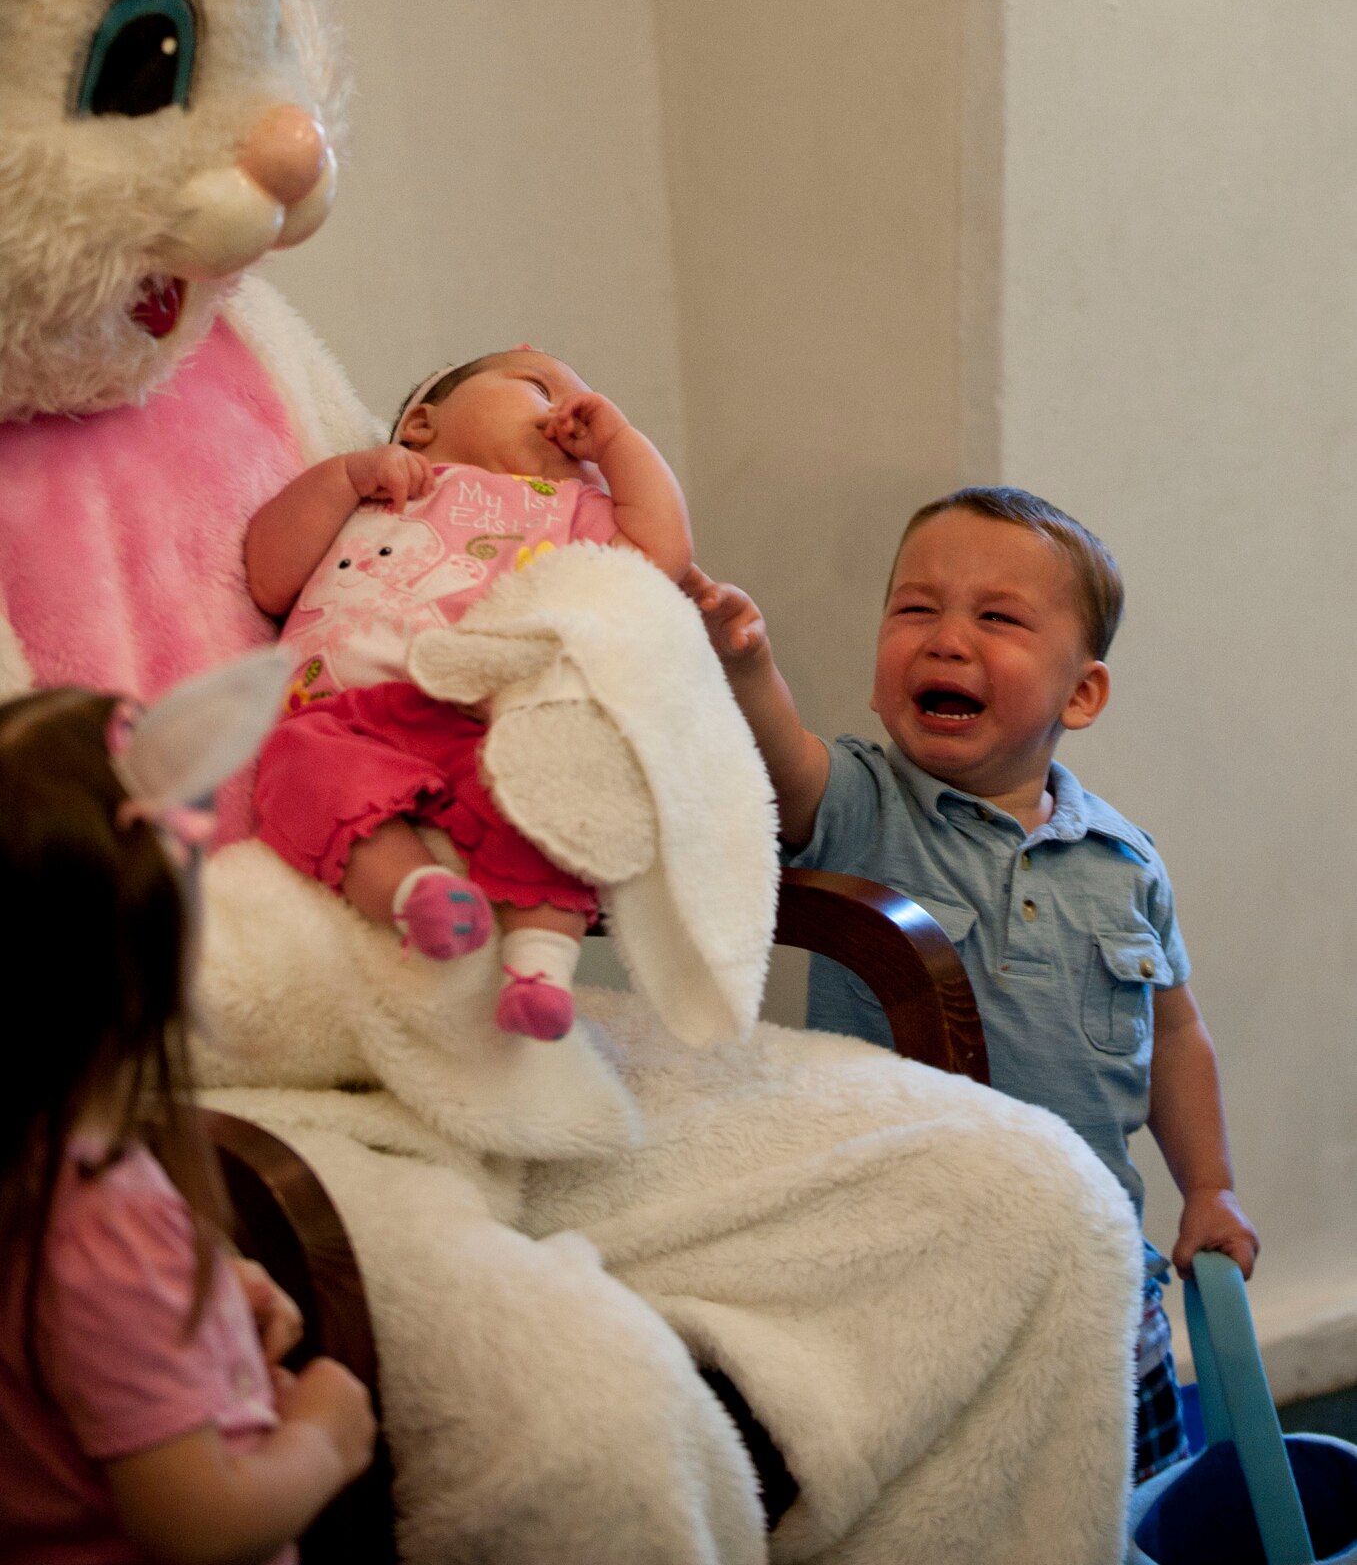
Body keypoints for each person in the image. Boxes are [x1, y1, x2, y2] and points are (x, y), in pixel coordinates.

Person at [687, 484, 1259, 1483]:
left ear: (1080, 694)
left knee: (1110, 1501)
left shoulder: (1126, 861)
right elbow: (779, 762)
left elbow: (1174, 1035)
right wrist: (745, 667)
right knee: (950, 1503)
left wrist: (1208, 1185)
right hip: (913, 1266)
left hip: (1093, 1267)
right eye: (915, 609)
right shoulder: (863, 804)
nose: (946, 638)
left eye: (995, 616)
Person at [0, 683, 376, 1564]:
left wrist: (204, 1299)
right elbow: (197, 1525)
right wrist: (325, 1434)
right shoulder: (106, 1225)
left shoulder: (34, 1170)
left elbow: (78, 1350)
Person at [247, 346, 692, 1041]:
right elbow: (268, 575)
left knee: (549, 795)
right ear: (422, 422)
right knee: (300, 769)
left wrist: (619, 441)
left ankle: (540, 960)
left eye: (584, 405)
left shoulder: (576, 507)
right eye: (538, 386)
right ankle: (417, 894)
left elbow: (660, 558)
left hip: (481, 719)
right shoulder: (381, 486)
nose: (567, 411)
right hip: (341, 713)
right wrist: (340, 477)